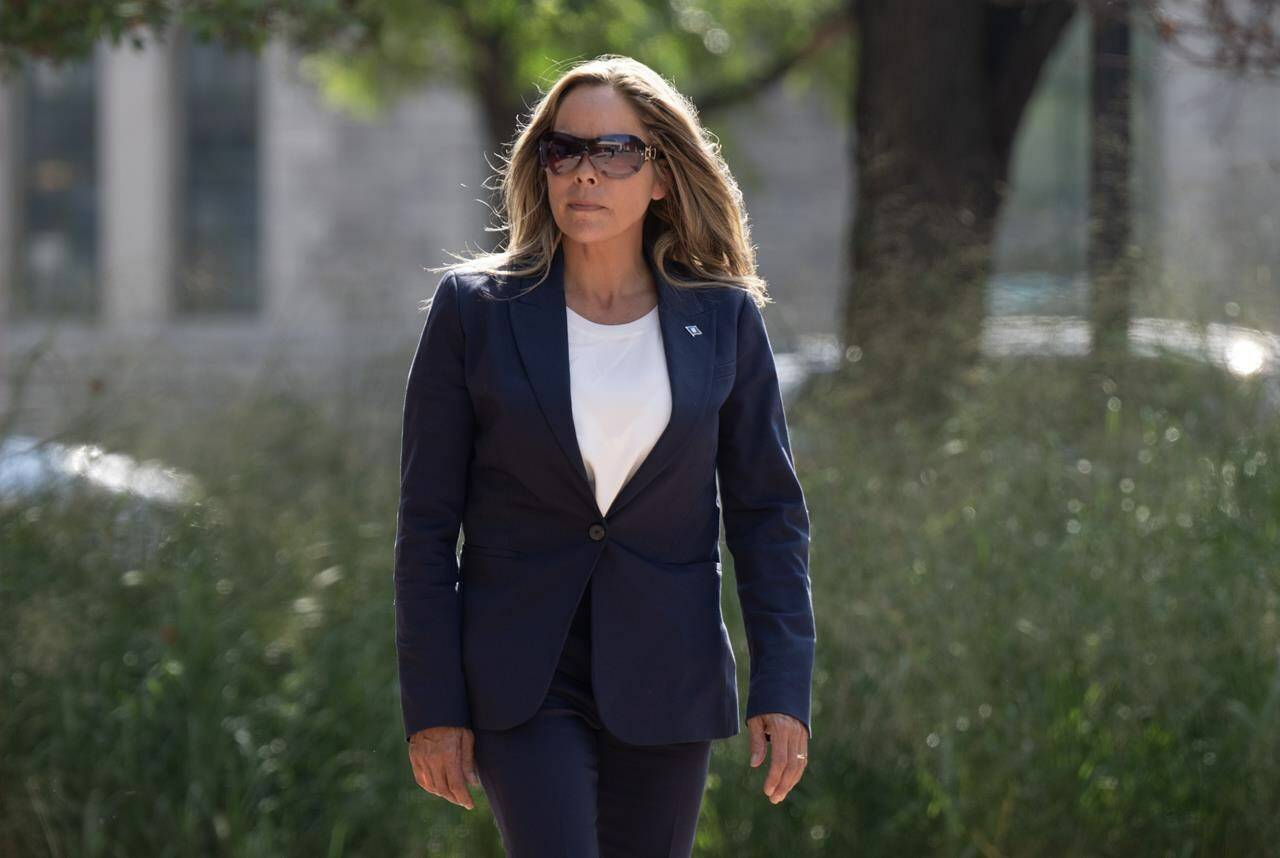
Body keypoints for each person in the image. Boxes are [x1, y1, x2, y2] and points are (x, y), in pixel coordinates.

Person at [394, 54, 815, 857]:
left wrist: (783, 685)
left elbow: (768, 515)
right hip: (523, 673)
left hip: (668, 667)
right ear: (543, 167)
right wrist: (434, 706)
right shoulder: (474, 312)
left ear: (661, 175)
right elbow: (424, 528)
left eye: (614, 152)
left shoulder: (722, 317)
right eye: (565, 151)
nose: (585, 174)